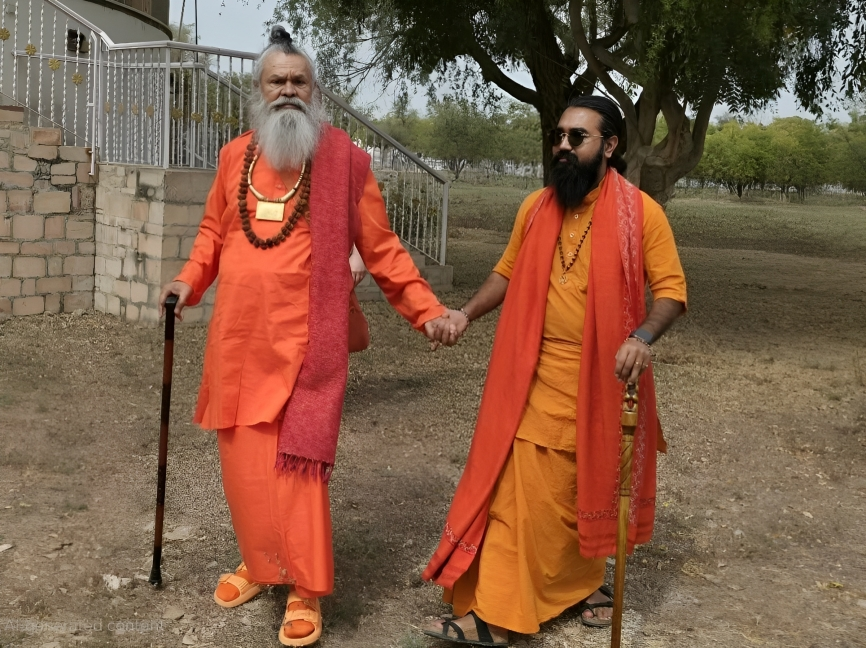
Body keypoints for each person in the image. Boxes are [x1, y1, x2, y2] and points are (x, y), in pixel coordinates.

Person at [158, 27, 459, 647]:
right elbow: (214, 233)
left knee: (296, 474)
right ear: (259, 90)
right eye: (278, 81)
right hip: (239, 341)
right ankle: (261, 564)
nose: (289, 91)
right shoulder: (234, 157)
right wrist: (188, 281)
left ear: (315, 92)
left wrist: (425, 310)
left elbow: (381, 249)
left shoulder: (344, 162)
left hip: (305, 351)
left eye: (300, 81)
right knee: (245, 471)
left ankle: (304, 587)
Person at [421, 95, 687, 645]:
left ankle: (576, 584)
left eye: (576, 138)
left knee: (572, 491)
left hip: (602, 380)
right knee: (519, 493)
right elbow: (506, 272)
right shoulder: (535, 208)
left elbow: (672, 293)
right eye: (558, 136)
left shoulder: (643, 214)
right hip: (530, 374)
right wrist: (464, 314)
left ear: (609, 146)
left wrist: (641, 337)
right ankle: (499, 614)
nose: (562, 146)